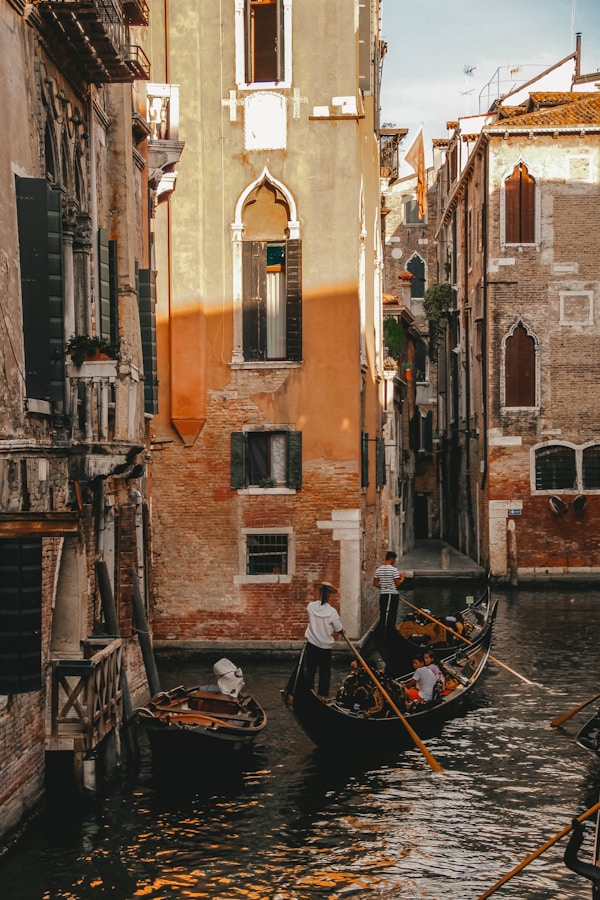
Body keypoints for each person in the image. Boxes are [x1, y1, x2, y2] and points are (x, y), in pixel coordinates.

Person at [304, 582, 344, 700]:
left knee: (310, 670)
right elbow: (338, 628)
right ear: (329, 595)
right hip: (325, 647)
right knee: (325, 672)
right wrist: (342, 631)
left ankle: (309, 693)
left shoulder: (310, 607)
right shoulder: (332, 612)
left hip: (312, 644)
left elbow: (315, 617)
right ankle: (323, 697)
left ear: (319, 592)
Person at [373, 550, 406, 631]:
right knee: (391, 613)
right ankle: (390, 630)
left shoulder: (379, 569)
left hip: (383, 594)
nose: (394, 561)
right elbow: (397, 584)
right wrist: (402, 578)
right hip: (392, 594)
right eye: (394, 559)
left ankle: (385, 629)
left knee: (383, 612)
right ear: (392, 559)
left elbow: (375, 583)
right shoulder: (393, 570)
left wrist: (384, 586)